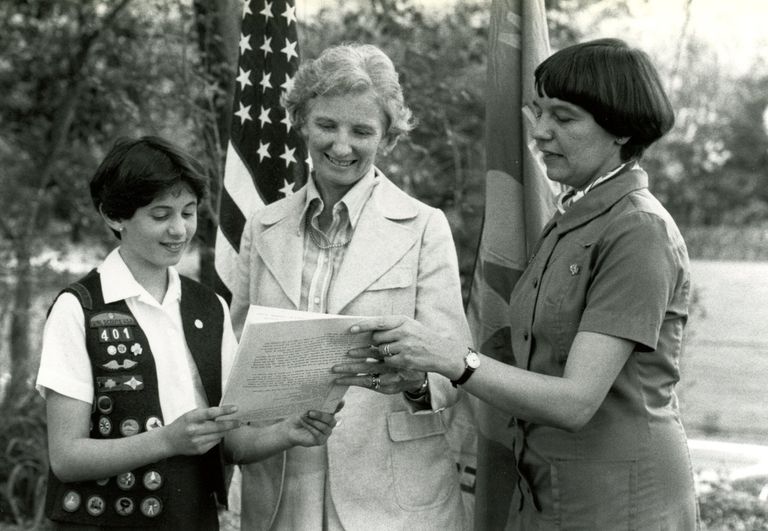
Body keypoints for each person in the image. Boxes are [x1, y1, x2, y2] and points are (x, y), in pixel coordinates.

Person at [339, 38, 700, 530]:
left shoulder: (637, 230)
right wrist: (421, 374)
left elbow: (575, 401)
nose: (541, 131)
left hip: (621, 505)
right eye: (540, 112)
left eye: (564, 118)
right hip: (545, 494)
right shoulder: (575, 217)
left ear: (621, 129)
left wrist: (453, 358)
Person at [227, 43, 473, 530]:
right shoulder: (263, 227)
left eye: (361, 131)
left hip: (389, 500)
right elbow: (236, 356)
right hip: (280, 491)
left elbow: (451, 370)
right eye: (327, 125)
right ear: (302, 121)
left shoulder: (424, 227)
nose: (342, 146)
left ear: (388, 137)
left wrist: (416, 382)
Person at [37, 136, 339, 530]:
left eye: (188, 212)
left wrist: (287, 432)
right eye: (160, 215)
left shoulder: (208, 307)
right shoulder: (79, 308)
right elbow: (66, 457)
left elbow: (231, 442)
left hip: (191, 516)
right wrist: (166, 441)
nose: (179, 229)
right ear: (114, 216)